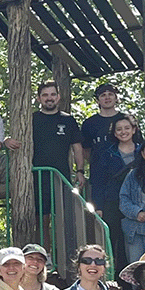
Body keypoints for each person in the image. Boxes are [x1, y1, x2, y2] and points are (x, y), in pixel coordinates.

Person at [32, 81, 84, 230]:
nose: (49, 98)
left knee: (63, 219)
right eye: (45, 95)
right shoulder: (32, 119)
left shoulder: (68, 120)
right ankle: (42, 246)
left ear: (58, 97)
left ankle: (62, 246)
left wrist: (80, 171)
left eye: (53, 94)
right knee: (41, 220)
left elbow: (77, 148)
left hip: (62, 177)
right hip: (37, 176)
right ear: (39, 98)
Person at [98, 112, 143, 265]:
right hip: (113, 201)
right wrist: (98, 206)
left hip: (138, 203)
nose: (123, 132)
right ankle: (114, 274)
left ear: (134, 129)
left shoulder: (143, 152)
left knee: (132, 238)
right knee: (113, 239)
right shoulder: (107, 154)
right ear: (115, 133)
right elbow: (99, 181)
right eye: (119, 129)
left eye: (127, 128)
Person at [81, 82, 124, 207]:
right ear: (98, 100)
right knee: (100, 211)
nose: (107, 97)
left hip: (125, 175)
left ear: (116, 98)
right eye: (103, 95)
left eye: (110, 94)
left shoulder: (126, 120)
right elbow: (85, 150)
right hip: (99, 177)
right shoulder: (89, 123)